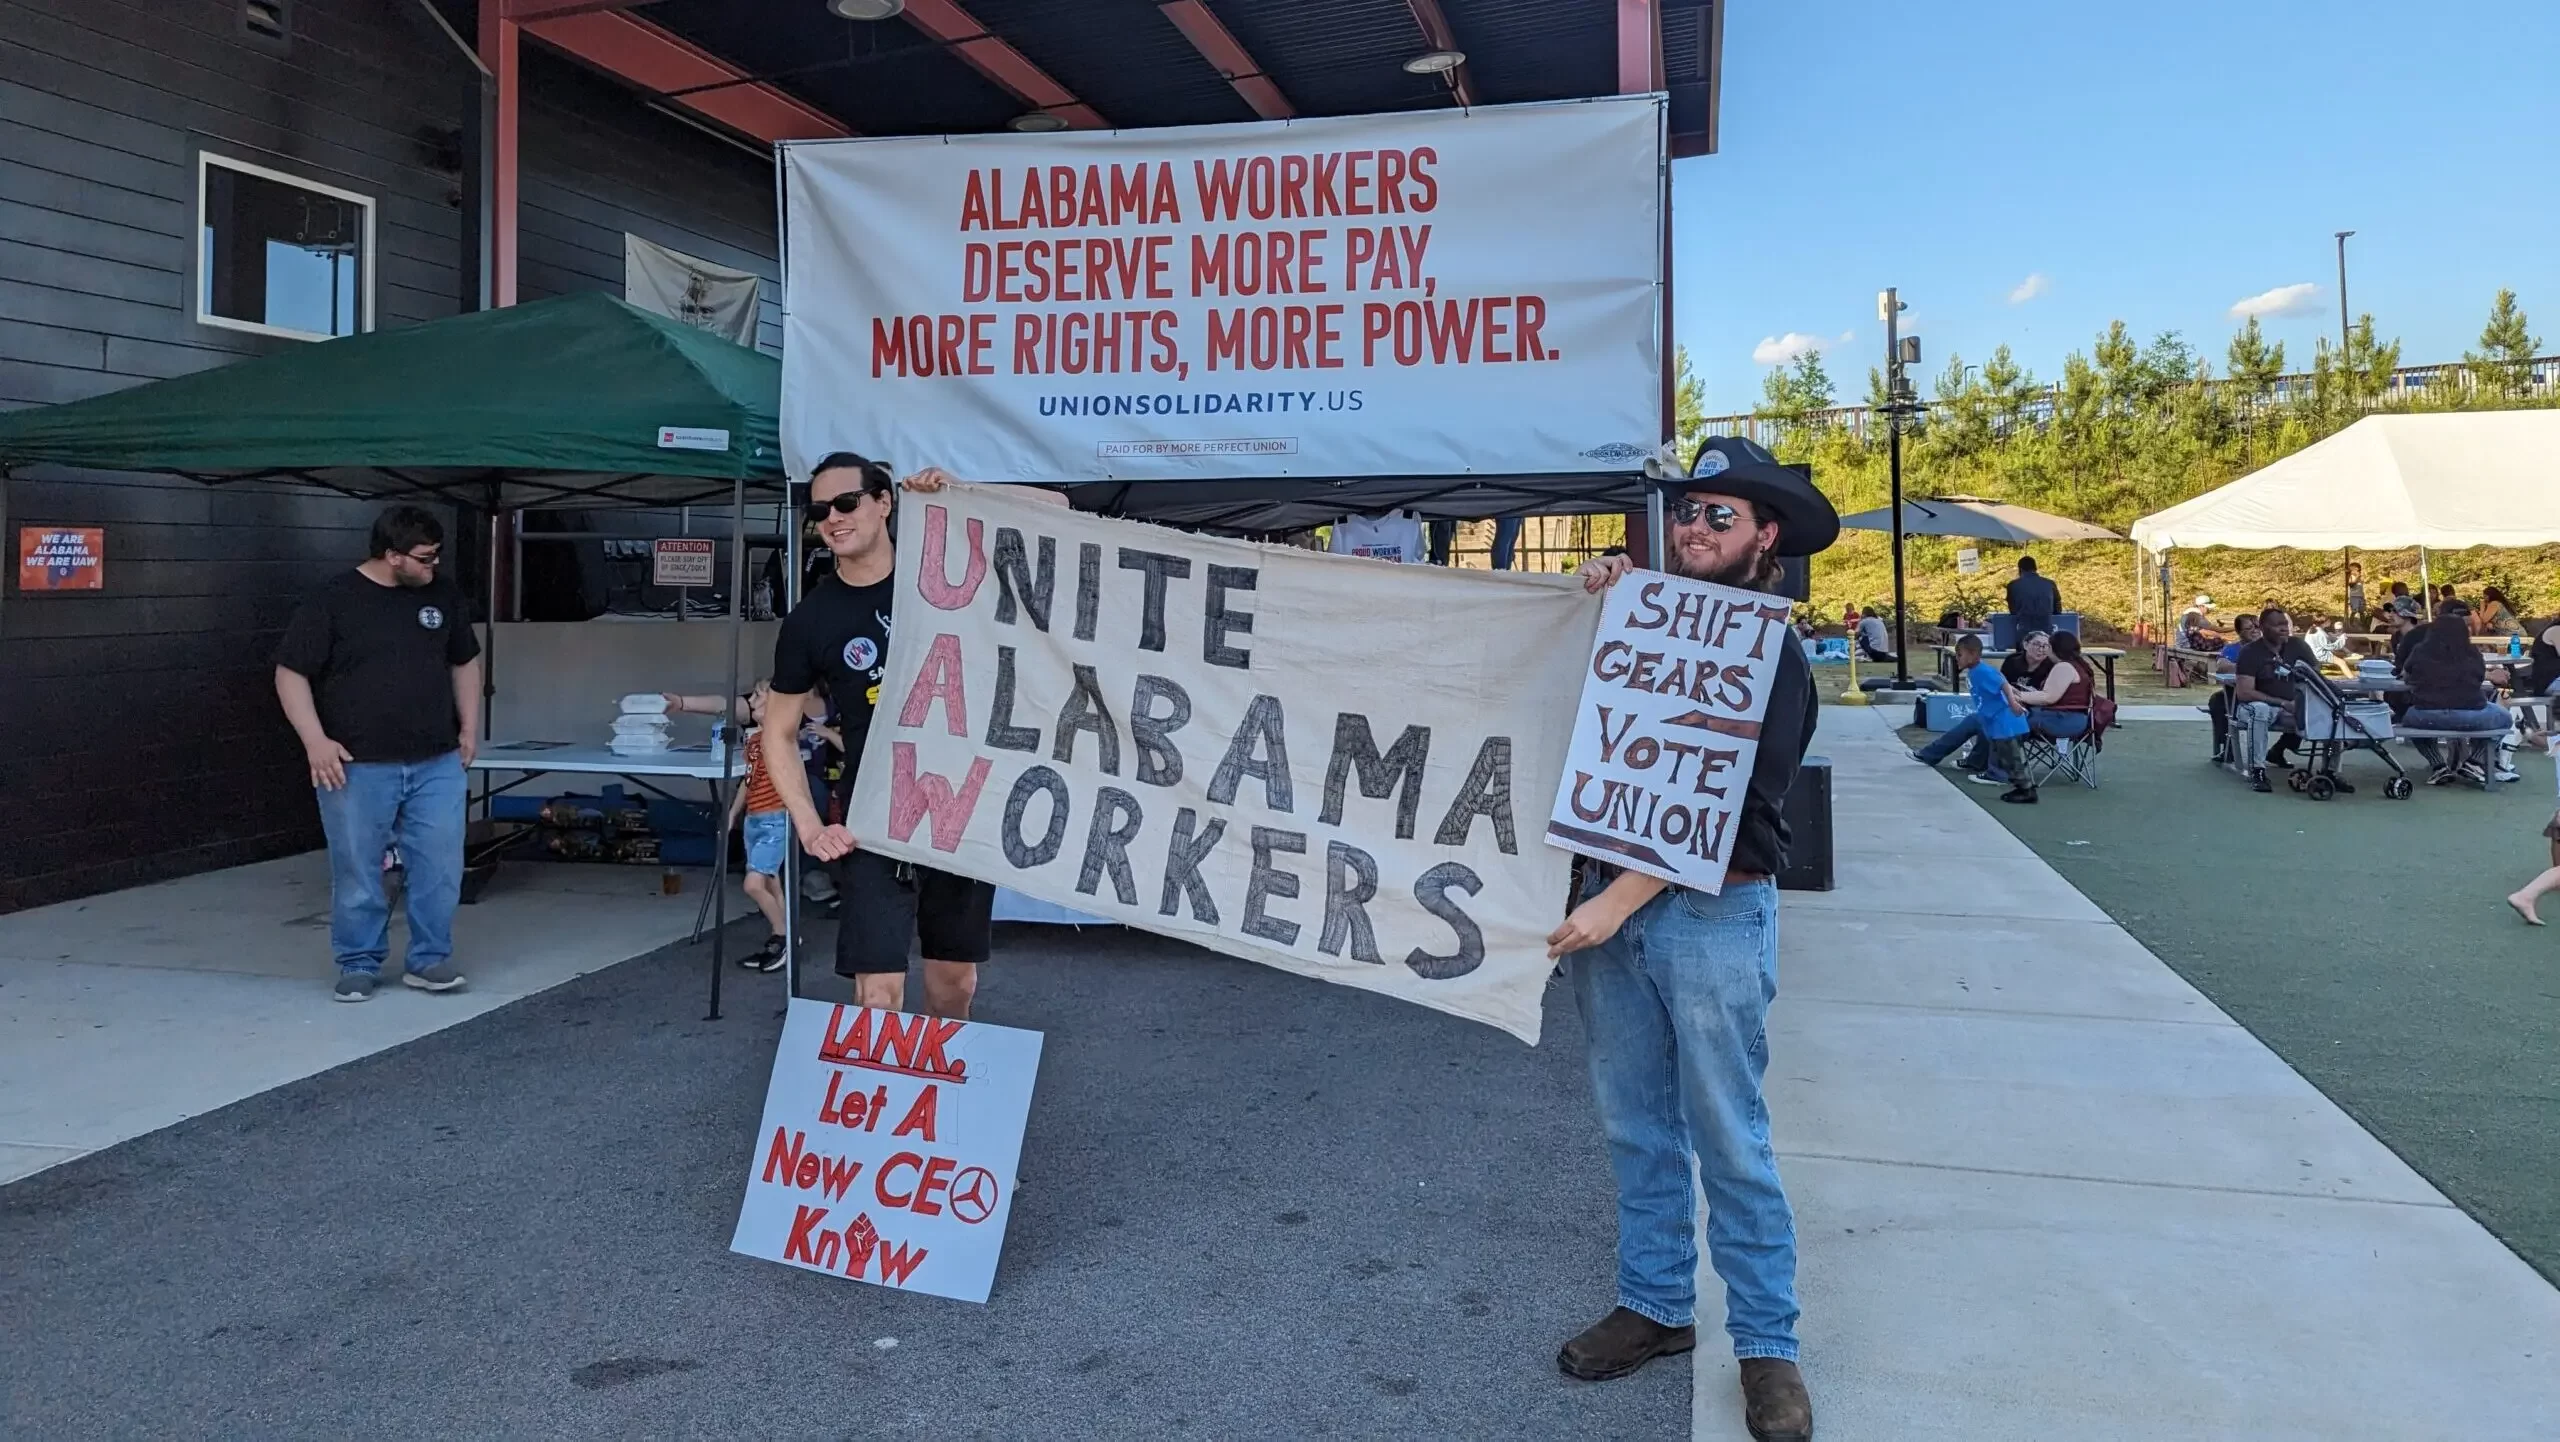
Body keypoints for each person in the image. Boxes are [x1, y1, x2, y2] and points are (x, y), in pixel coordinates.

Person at [1547, 434, 1825, 1440]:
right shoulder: (1637, 618)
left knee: (1730, 1139)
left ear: (1766, 537)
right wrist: (1586, 606)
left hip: (1708, 913)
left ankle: (1765, 1344)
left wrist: (1616, 899)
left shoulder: (1776, 654)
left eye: (1720, 515)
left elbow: (1721, 803)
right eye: (1685, 511)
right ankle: (1656, 1306)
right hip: (1610, 917)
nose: (1693, 528)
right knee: (1634, 1123)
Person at [761, 452, 999, 1019]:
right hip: (871, 818)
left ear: (885, 503)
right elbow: (778, 731)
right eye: (821, 510)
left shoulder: (944, 574)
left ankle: (943, 1102)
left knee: (954, 984)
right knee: (876, 995)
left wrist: (962, 490)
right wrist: (811, 827)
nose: (833, 518)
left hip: (954, 810)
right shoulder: (810, 620)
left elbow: (1057, 512)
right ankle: (885, 1099)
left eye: (847, 502)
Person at [273, 505, 481, 1002]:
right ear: (392, 556)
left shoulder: (442, 596)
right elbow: (290, 673)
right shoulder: (333, 600)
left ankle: (429, 958)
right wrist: (314, 741)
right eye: (425, 558)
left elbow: (465, 662)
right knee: (358, 868)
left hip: (436, 759)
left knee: (440, 865)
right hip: (355, 764)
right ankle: (358, 961)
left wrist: (471, 726)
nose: (434, 566)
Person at [2402, 602, 2515, 785]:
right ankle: (2475, 761)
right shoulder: (2471, 653)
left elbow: (2407, 676)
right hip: (2470, 713)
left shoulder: (2420, 651)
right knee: (2503, 717)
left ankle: (2437, 765)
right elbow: (2479, 679)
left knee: (2408, 718)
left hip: (2427, 714)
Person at [1912, 633, 2024, 785]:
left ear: (1972, 655)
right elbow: (2001, 679)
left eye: (1959, 655)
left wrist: (2013, 702)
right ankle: (1933, 755)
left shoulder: (1982, 671)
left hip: (2002, 716)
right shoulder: (1975, 671)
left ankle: (1997, 774)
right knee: (1975, 721)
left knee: (1995, 732)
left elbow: (2002, 683)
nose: (1957, 659)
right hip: (1990, 715)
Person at [2231, 607, 2319, 793]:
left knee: (2332, 711)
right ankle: (2258, 771)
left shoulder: (2298, 646)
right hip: (2254, 707)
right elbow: (2244, 693)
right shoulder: (2250, 652)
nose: (2284, 629)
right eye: (2277, 625)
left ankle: (2331, 771)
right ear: (2262, 627)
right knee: (2260, 710)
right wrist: (2282, 703)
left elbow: (2316, 677)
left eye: (2285, 624)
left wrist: (2301, 702)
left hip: (2291, 706)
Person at [2001, 631, 2094, 804]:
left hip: (2062, 720)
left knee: (2010, 724)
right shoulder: (2077, 665)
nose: (2045, 649)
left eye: (2048, 645)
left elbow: (2048, 697)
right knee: (2012, 720)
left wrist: (2018, 696)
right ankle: (2002, 769)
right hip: (2070, 717)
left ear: (2054, 648)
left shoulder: (2063, 667)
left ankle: (2006, 772)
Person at [2005, 555, 2060, 638]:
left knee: (2025, 649)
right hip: (2047, 631)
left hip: (2024, 631)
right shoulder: (2050, 583)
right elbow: (2057, 608)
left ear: (2020, 569)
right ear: (2035, 568)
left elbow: (2013, 610)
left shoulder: (2013, 585)